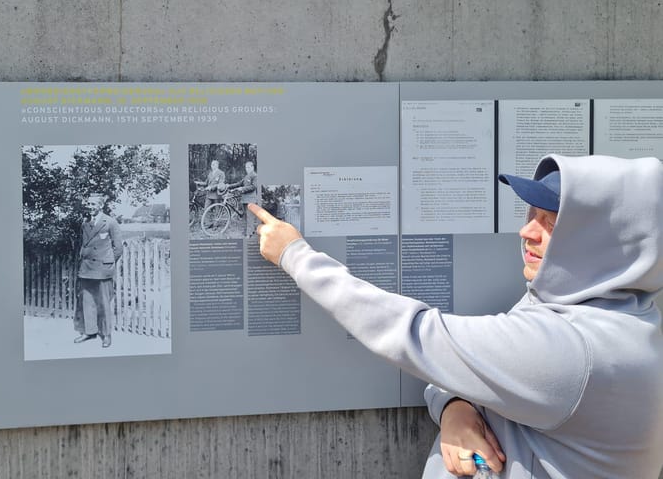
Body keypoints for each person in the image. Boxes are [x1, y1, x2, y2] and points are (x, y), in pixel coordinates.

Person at [249, 154, 663, 478]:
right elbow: (459, 369)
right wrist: (456, 410)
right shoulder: (607, 311)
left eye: (551, 224)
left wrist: (295, 255)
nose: (527, 232)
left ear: (597, 244)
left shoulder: (574, 351)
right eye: (532, 215)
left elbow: (418, 336)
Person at [74, 194, 123, 348]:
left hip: (102, 269)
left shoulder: (110, 222)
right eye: (88, 203)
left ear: (101, 206)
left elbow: (118, 248)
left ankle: (107, 335)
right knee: (87, 302)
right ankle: (90, 331)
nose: (90, 206)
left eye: (93, 204)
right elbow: (84, 244)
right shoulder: (85, 222)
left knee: (104, 304)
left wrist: (108, 262)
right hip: (87, 268)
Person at [226, 160, 258, 235]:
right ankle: (250, 230)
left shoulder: (255, 176)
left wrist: (242, 189)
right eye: (246, 167)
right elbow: (239, 183)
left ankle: (249, 233)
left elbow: (253, 187)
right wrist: (229, 186)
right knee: (245, 216)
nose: (247, 169)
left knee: (250, 217)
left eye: (248, 167)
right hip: (244, 199)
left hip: (251, 199)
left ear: (252, 167)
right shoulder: (246, 176)